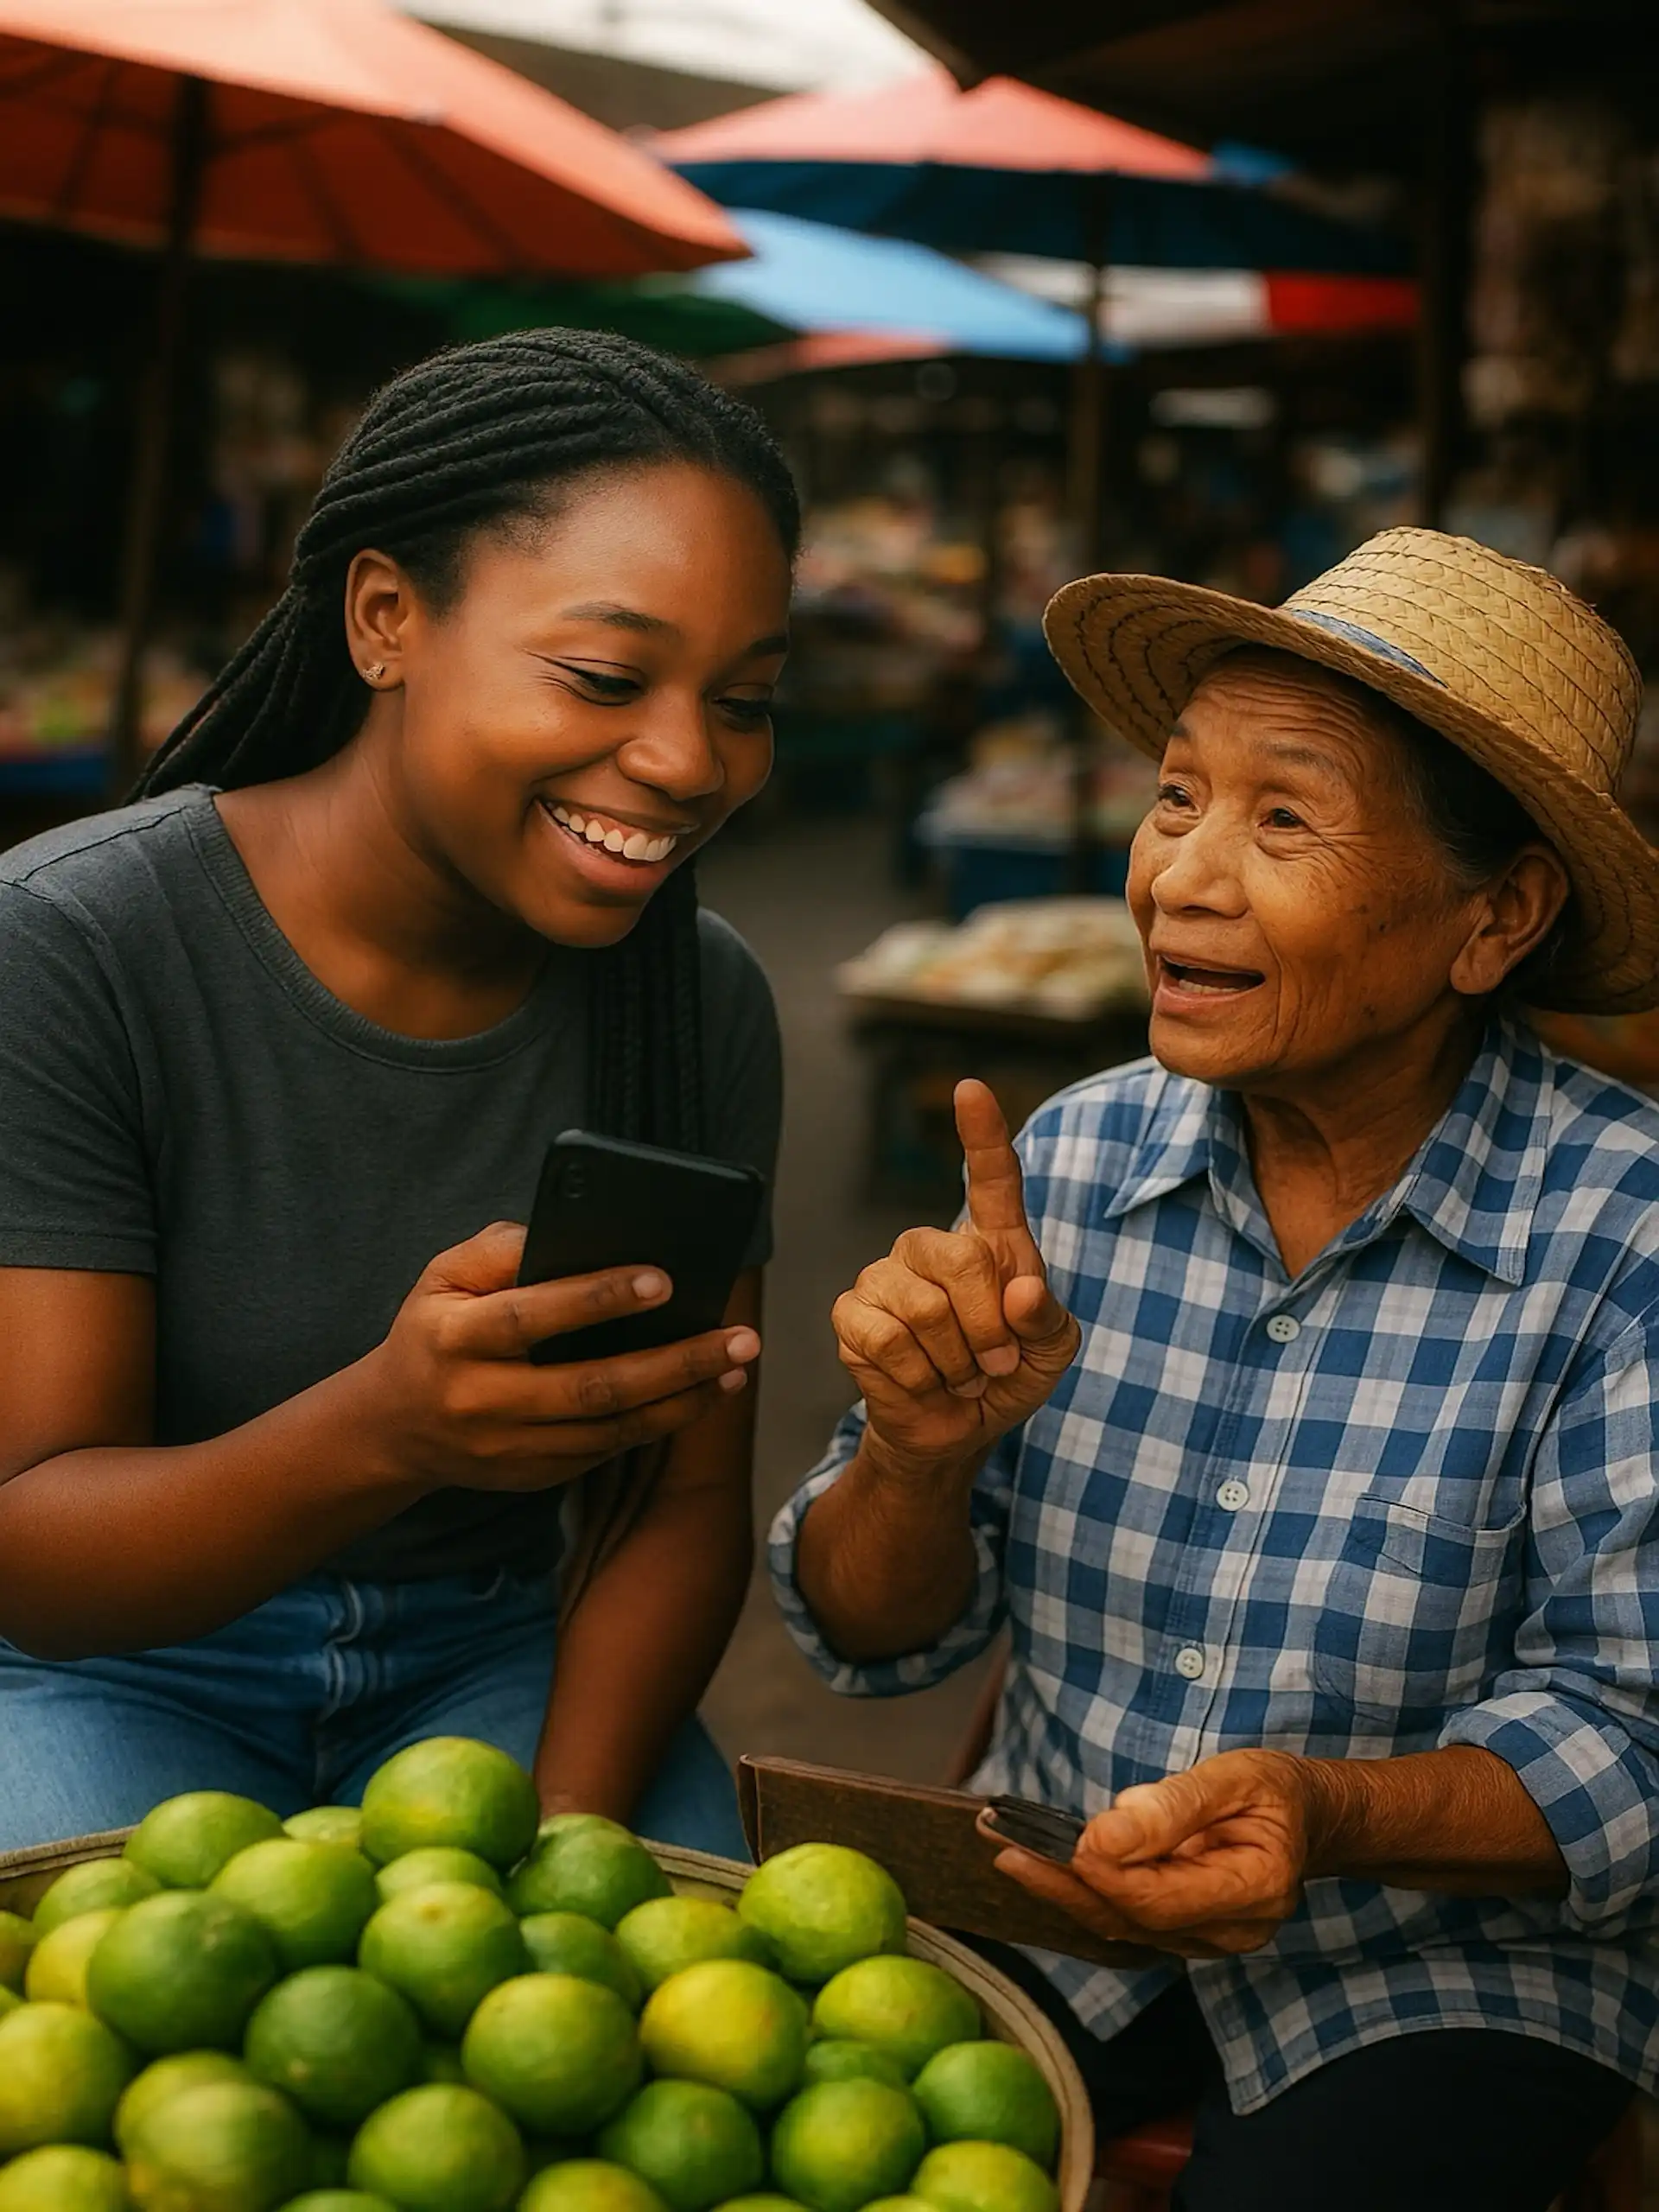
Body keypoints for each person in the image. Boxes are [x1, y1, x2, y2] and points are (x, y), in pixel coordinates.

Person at [771, 529, 1659, 2211]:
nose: (1181, 876)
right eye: (1177, 797)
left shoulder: (1628, 1233)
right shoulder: (1079, 1160)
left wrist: (1322, 1811)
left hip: (1447, 1962)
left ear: (1498, 916)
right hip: (1054, 1902)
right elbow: (870, 1632)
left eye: (1283, 816)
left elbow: (1635, 1733)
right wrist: (914, 1454)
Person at [0, 331, 798, 1857]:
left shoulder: (697, 1003)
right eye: (606, 677)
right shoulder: (71, 949)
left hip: (489, 1659)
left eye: (747, 699)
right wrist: (384, 1430)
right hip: (97, 1671)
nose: (690, 760)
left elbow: (677, 1509)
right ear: (386, 619)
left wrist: (549, 1852)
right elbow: (32, 1553)